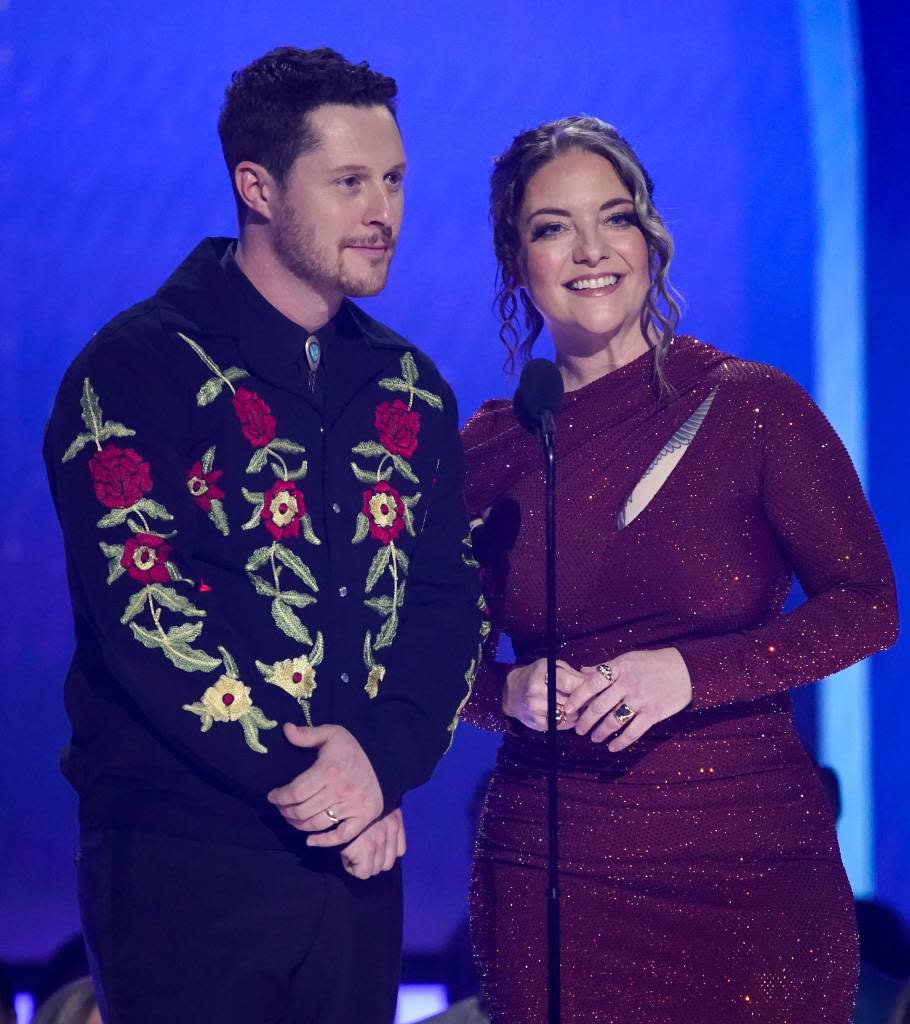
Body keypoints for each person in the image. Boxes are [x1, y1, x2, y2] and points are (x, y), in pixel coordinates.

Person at [44, 47, 482, 1024]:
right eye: (349, 182)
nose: (384, 211)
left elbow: (448, 606)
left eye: (396, 180)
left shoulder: (409, 390)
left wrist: (378, 762)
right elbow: (147, 606)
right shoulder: (135, 370)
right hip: (181, 849)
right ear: (255, 185)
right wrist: (323, 779)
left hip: (356, 856)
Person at [460, 115, 898, 1024]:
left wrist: (691, 674)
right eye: (552, 226)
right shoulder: (491, 451)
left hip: (750, 871)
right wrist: (503, 693)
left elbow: (867, 606)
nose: (590, 250)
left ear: (650, 240)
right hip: (556, 869)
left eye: (613, 218)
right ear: (516, 259)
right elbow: (424, 660)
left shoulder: (750, 407)